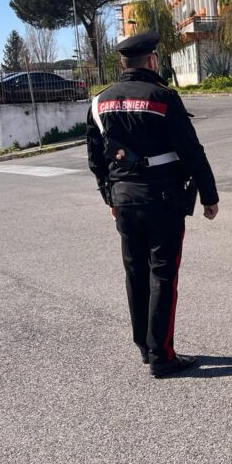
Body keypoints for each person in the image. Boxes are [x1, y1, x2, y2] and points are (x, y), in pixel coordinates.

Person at [86, 31, 220, 378]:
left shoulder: (99, 102)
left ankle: (145, 347)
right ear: (152, 60)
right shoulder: (163, 97)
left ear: (122, 63)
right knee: (163, 273)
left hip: (124, 199)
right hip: (163, 198)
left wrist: (109, 196)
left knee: (135, 273)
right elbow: (191, 151)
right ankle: (163, 354)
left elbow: (96, 158)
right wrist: (209, 196)